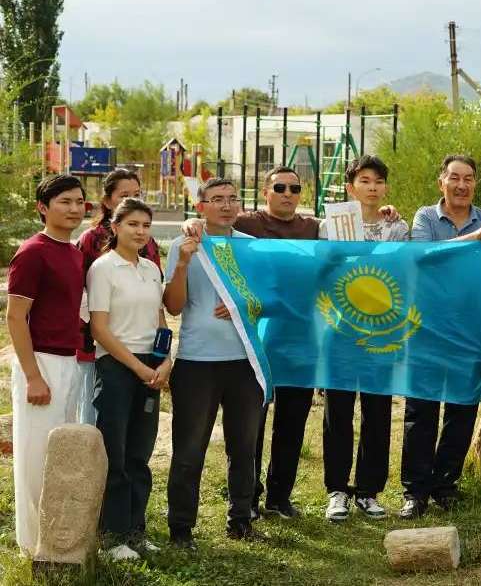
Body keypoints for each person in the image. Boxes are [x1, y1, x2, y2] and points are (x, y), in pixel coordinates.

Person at [183, 165, 321, 519]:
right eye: (279, 187)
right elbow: (208, 224)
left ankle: (280, 496)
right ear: (265, 192)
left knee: (292, 420)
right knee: (251, 426)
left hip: (298, 336)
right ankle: (250, 498)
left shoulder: (315, 228)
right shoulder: (244, 225)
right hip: (253, 342)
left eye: (294, 188)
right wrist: (191, 225)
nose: (287, 193)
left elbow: (349, 243)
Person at [400, 154, 481, 519]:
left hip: (472, 328)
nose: (462, 185)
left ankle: (445, 484)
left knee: (462, 410)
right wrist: (471, 240)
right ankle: (415, 491)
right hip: (427, 328)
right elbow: (423, 257)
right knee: (421, 410)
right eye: (455, 178)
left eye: (469, 179)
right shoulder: (426, 218)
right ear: (441, 182)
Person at [164, 178, 263, 549]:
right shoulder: (185, 245)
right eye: (216, 199)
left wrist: (244, 305)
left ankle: (241, 520)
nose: (225, 205)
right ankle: (181, 528)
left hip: (244, 362)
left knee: (244, 447)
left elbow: (265, 301)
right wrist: (185, 261)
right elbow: (173, 306)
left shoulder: (252, 248)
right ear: (201, 206)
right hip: (196, 361)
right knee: (189, 449)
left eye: (232, 198)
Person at [319, 156, 408, 523]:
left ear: (385, 187)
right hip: (339, 329)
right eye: (365, 180)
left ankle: (369, 491)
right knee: (337, 410)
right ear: (350, 186)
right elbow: (322, 271)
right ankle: (337, 489)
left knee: (378, 410)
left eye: (379, 181)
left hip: (381, 330)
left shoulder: (397, 228)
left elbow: (404, 272)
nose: (372, 187)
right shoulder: (331, 225)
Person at [6, 175, 87, 556]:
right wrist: (33, 376)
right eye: (64, 202)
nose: (74, 209)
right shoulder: (33, 252)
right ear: (43, 207)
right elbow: (15, 317)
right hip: (39, 364)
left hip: (68, 362)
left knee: (60, 455)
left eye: (78, 201)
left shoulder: (73, 252)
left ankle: (59, 538)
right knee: (35, 455)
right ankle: (32, 545)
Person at [87, 198, 171, 560]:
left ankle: (136, 530)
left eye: (145, 225)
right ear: (115, 226)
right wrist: (137, 368)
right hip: (117, 367)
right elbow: (99, 329)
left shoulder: (152, 268)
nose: (140, 231)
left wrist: (166, 361)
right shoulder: (103, 268)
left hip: (151, 367)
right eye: (132, 224)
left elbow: (160, 321)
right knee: (115, 454)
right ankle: (112, 537)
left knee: (140, 453)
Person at [76, 168, 161, 425]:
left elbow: (156, 299)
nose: (132, 200)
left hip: (142, 346)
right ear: (107, 201)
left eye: (137, 194)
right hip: (100, 345)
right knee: (98, 419)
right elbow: (78, 291)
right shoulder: (90, 240)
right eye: (124, 195)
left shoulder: (148, 244)